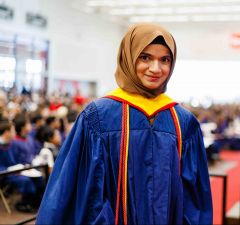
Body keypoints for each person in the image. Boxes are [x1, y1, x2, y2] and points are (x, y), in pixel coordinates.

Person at [36, 23, 213, 225]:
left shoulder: (184, 122)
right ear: (128, 58)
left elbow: (194, 201)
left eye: (164, 60)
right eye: (145, 57)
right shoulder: (97, 117)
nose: (156, 68)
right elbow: (80, 193)